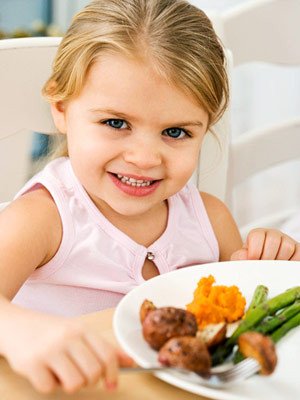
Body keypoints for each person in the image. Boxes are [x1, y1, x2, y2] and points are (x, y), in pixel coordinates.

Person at [0, 0, 299, 395]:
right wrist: (18, 331)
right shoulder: (44, 217)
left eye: (176, 132)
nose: (144, 158)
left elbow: (248, 315)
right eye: (115, 123)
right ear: (60, 107)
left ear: (206, 127)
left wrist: (270, 264)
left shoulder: (211, 219)